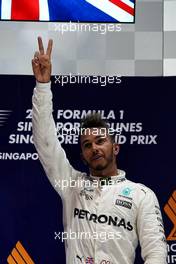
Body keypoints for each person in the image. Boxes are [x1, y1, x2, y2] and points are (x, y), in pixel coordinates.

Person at [32, 37, 167, 264]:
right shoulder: (71, 186)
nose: (94, 147)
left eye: (100, 141)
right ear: (83, 155)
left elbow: (156, 253)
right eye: (87, 145)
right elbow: (45, 141)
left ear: (115, 147)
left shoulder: (141, 195)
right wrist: (43, 87)